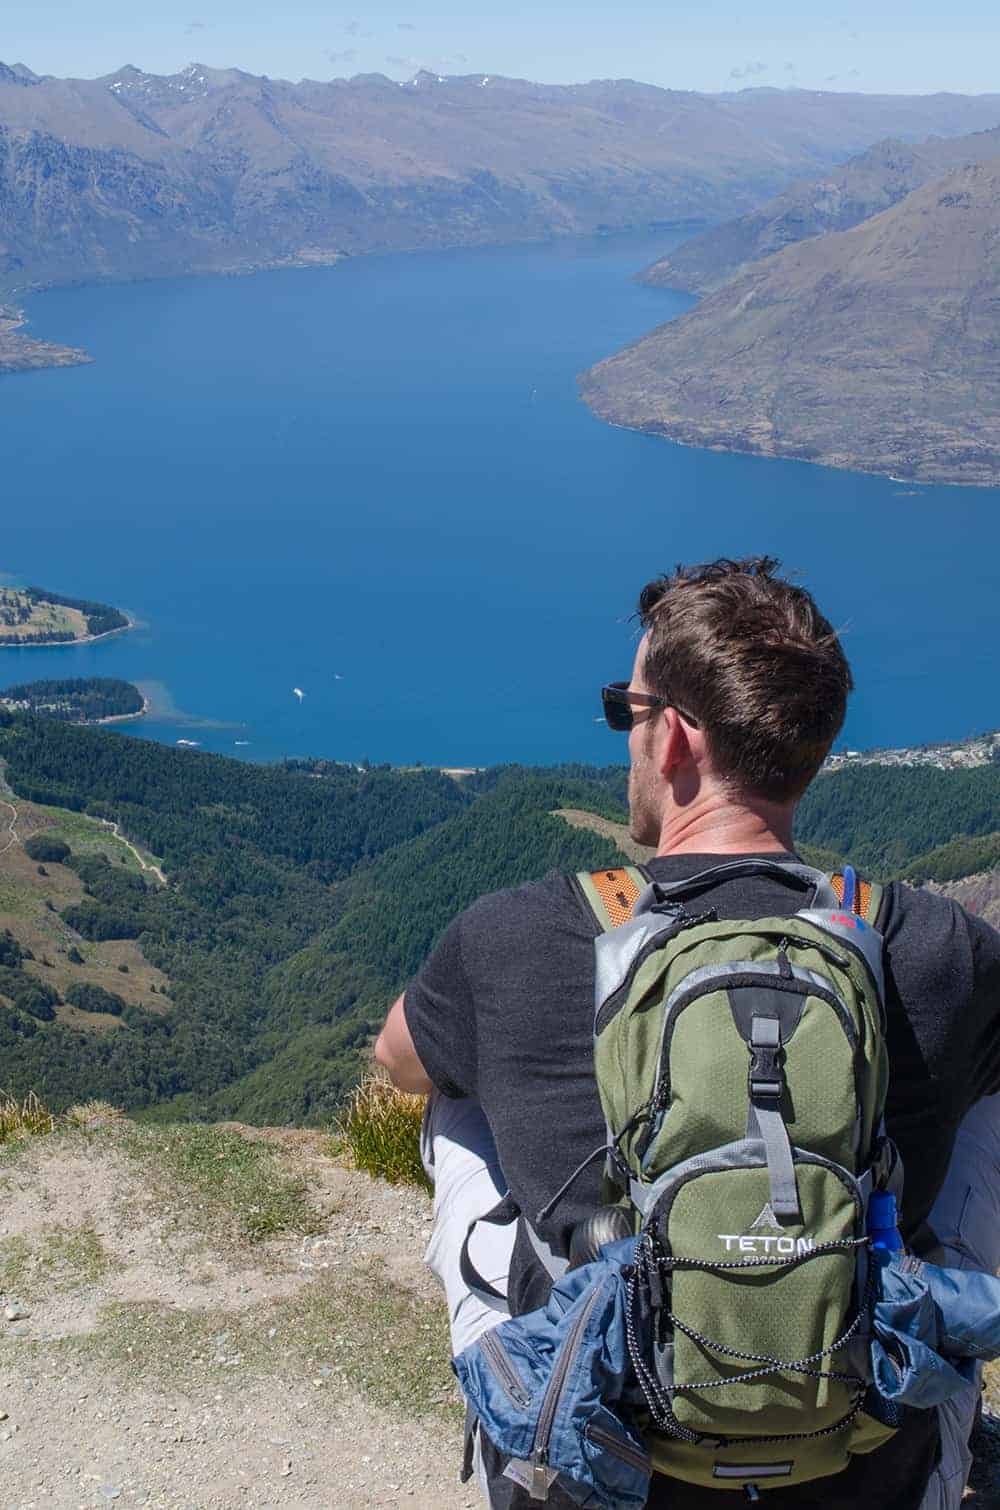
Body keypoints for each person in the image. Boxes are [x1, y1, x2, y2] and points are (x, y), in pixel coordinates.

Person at [376, 558, 1000, 1509]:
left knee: (455, 1104)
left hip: (599, 1479)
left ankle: (533, 1404)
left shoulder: (520, 934)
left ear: (672, 737)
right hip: (870, 1463)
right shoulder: (935, 943)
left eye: (627, 709)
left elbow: (395, 1062)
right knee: (987, 1097)